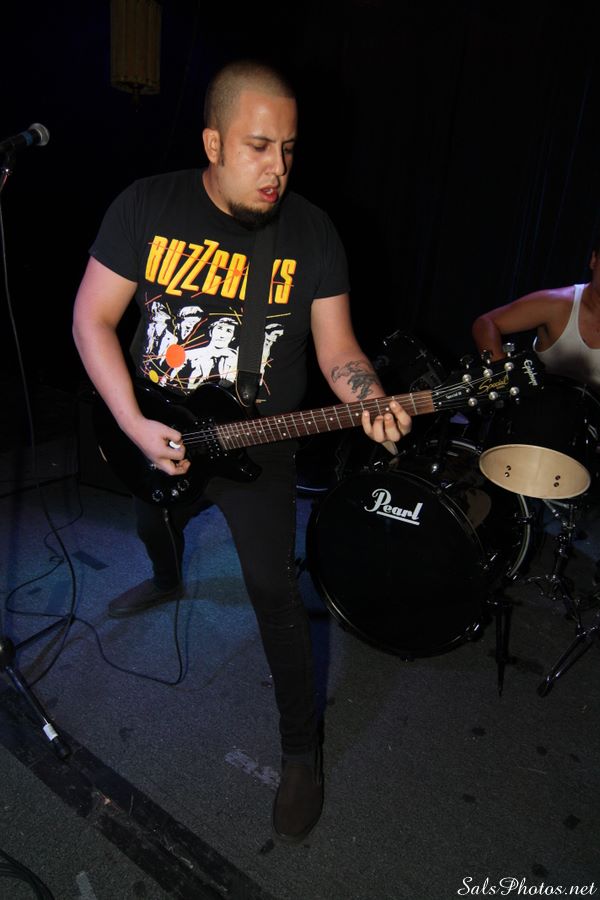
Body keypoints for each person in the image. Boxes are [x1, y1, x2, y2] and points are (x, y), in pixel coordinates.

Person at [72, 58, 411, 845]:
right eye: (259, 147)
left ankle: (300, 750)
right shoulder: (146, 205)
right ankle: (165, 576)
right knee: (152, 514)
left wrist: (367, 396)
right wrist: (131, 421)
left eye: (288, 149)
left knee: (272, 591)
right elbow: (91, 318)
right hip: (153, 423)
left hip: (258, 443)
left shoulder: (313, 233)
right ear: (213, 143)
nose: (277, 168)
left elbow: (338, 350)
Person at [471, 238, 600, 389]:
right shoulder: (557, 304)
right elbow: (485, 323)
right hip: (538, 402)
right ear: (594, 260)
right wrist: (503, 377)